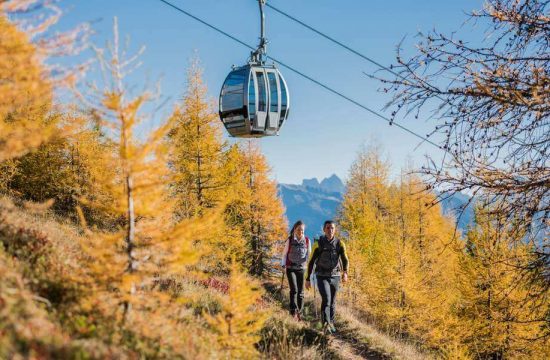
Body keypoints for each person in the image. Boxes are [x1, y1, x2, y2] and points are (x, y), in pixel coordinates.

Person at [306, 220, 349, 334]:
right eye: (328, 228)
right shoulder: (318, 243)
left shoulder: (340, 243)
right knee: (326, 299)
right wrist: (307, 279)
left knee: (333, 301)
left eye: (332, 228)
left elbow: (345, 259)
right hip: (321, 276)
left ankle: (331, 323)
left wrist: (345, 273)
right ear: (324, 229)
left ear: (335, 230)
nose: (330, 230)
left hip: (335, 275)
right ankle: (326, 324)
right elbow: (310, 262)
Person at [281, 220, 311, 320]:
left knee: (301, 292)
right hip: (290, 268)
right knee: (294, 290)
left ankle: (300, 312)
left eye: (302, 230)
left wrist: (310, 267)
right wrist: (283, 265)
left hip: (302, 268)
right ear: (294, 229)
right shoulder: (289, 240)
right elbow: (284, 255)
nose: (300, 232)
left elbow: (309, 255)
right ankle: (293, 312)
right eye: (298, 230)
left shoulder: (307, 241)